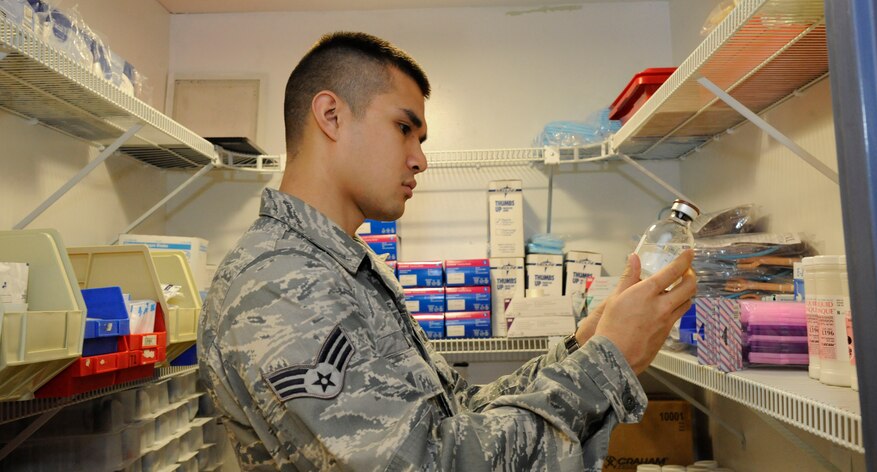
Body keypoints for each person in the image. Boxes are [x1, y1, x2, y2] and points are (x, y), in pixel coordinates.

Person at [198, 31, 697, 471]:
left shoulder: (342, 267)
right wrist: (609, 363)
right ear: (331, 115)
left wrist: (583, 347)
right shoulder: (280, 283)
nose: (420, 158)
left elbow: (451, 415)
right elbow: (426, 462)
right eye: (403, 128)